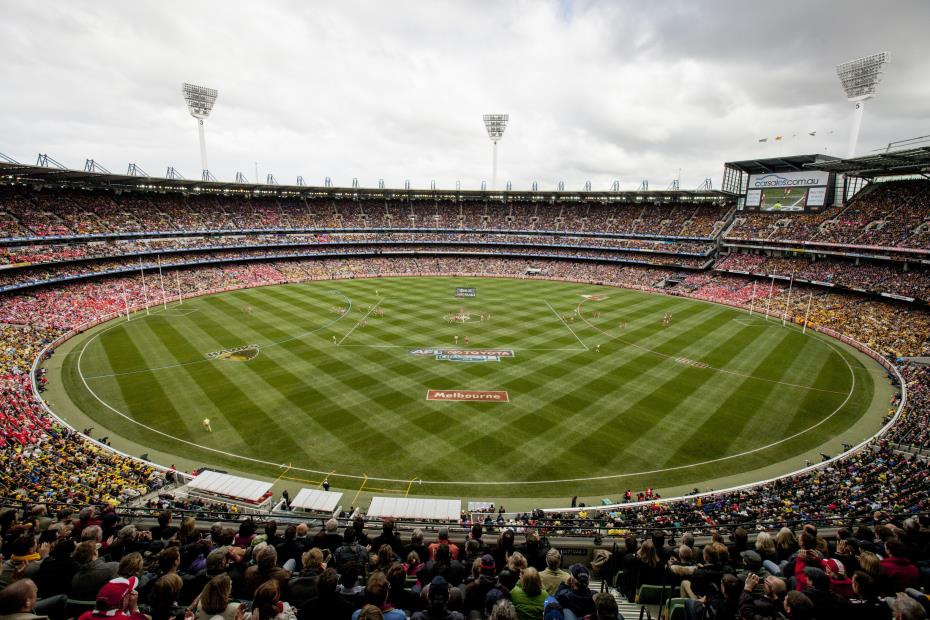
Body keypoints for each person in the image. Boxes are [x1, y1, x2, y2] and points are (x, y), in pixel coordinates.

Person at [78, 577, 147, 620]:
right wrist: (134, 607)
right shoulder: (123, 618)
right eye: (129, 594)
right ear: (122, 601)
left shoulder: (85, 616)